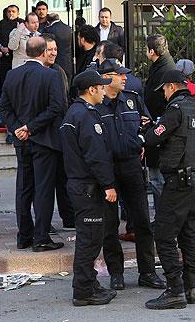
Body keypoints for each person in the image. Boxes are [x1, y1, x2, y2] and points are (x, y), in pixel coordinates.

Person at [94, 59, 166, 291]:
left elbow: (147, 124)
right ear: (107, 78)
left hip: (132, 166)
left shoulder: (132, 99)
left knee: (142, 221)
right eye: (120, 74)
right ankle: (116, 273)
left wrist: (141, 139)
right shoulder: (96, 104)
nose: (125, 78)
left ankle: (148, 272)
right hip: (108, 169)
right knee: (110, 225)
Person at [142, 69, 195, 310]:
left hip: (178, 181)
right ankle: (190, 287)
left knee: (164, 234)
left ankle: (174, 290)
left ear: (171, 86)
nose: (164, 94)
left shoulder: (175, 109)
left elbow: (154, 138)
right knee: (189, 234)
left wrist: (148, 129)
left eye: (164, 90)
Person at [0, 36, 67, 252]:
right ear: (43, 52)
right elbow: (57, 107)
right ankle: (41, 237)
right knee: (43, 190)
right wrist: (29, 128)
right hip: (44, 140)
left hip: (23, 140)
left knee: (24, 188)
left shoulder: (12, 74)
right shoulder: (51, 75)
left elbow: (4, 108)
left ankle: (24, 236)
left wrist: (18, 128)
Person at [59, 71, 117, 306]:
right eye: (101, 87)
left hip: (81, 185)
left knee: (91, 238)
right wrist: (108, 184)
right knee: (89, 240)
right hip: (87, 187)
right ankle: (83, 290)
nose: (104, 91)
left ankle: (89, 283)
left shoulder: (77, 113)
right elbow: (96, 155)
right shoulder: (84, 115)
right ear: (91, 90)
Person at [42, 34, 74, 231]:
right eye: (49, 49)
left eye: (55, 49)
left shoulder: (58, 71)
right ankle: (43, 223)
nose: (53, 53)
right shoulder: (36, 72)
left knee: (63, 179)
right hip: (41, 136)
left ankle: (68, 218)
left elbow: (63, 103)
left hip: (58, 133)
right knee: (44, 184)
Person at [142, 34, 176, 210]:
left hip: (161, 129)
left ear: (151, 51)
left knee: (159, 180)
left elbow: (158, 100)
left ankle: (164, 218)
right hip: (157, 125)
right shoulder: (162, 65)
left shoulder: (164, 69)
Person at [41, 13, 74, 81]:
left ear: (48, 22)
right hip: (68, 63)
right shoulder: (68, 28)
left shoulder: (48, 30)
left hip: (54, 62)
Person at [0, 5, 21, 87]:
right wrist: (0, 48)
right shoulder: (0, 24)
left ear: (18, 13)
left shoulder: (22, 24)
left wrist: (9, 49)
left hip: (17, 56)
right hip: (3, 58)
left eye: (13, 11)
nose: (11, 13)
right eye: (9, 11)